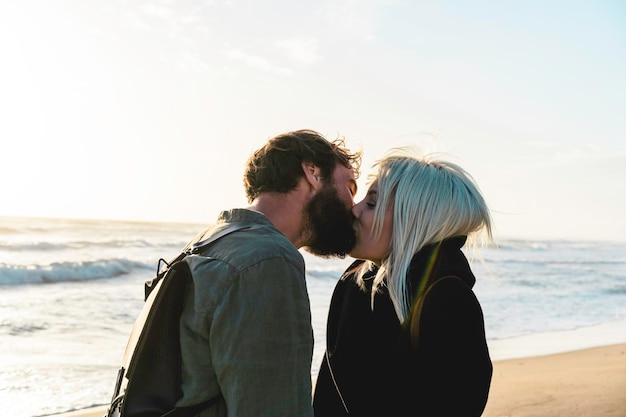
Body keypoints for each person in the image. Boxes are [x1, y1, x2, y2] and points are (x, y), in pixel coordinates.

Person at [176, 129, 361, 417]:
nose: (354, 207)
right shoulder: (268, 260)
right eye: (350, 187)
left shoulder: (210, 242)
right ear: (312, 172)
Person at [313, 148, 493, 417]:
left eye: (372, 203)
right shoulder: (356, 280)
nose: (355, 209)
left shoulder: (449, 301)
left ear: (412, 220)